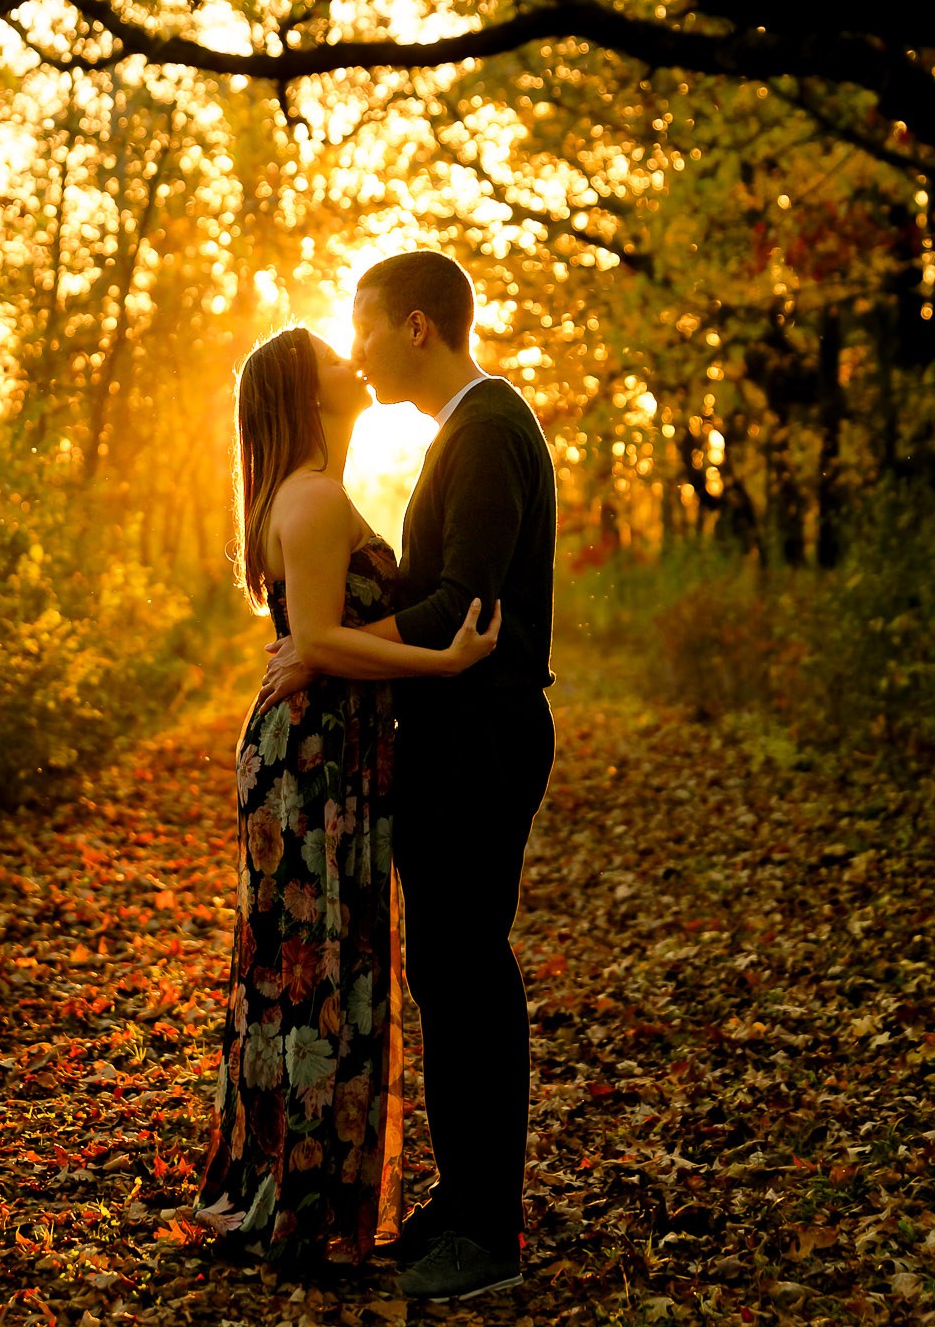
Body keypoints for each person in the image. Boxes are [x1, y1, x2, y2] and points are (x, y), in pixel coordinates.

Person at [259, 252, 557, 1303]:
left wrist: (331, 643)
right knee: (445, 972)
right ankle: (463, 1200)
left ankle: (490, 1231)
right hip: (451, 737)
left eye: (365, 326)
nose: (354, 349)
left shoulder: (483, 432)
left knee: (468, 972)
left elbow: (465, 611)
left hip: (479, 737)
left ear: (418, 328)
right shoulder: (464, 434)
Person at [192, 326, 502, 1271]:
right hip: (316, 760)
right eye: (331, 352)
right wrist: (440, 660)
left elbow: (313, 639)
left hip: (327, 750)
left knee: (308, 963)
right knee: (320, 966)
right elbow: (322, 641)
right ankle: (296, 1194)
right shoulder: (316, 497)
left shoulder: (303, 494)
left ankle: (289, 1184)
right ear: (306, 388)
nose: (351, 357)